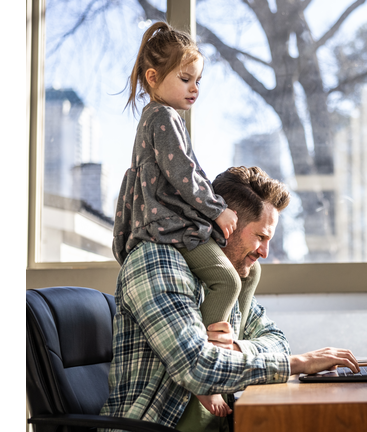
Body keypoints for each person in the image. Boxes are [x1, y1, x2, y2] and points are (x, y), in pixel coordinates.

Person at [100, 166, 360, 432]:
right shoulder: (156, 261)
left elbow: (278, 342)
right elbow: (197, 367)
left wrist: (235, 348)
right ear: (228, 225)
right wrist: (297, 364)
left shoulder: (226, 273)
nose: (265, 252)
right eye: (260, 237)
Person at [111, 21, 245, 418]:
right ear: (153, 78)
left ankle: (224, 350)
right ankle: (206, 377)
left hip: (171, 225)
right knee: (227, 279)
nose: (195, 88)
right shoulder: (163, 118)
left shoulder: (159, 119)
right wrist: (217, 209)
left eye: (198, 81)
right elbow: (185, 176)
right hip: (172, 229)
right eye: (185, 78)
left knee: (244, 275)